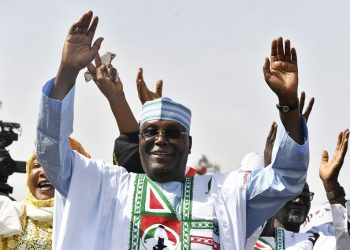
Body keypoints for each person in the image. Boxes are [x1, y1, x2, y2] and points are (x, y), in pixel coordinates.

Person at [36, 11, 309, 249]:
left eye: (172, 133)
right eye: (151, 132)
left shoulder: (225, 195)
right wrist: (67, 72)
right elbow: (51, 153)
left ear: (189, 144)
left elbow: (286, 178)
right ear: (140, 139)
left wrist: (288, 104)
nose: (160, 140)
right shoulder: (106, 187)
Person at [0, 138, 90, 250]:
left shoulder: (96, 222)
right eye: (37, 165)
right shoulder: (8, 215)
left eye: (57, 166)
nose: (44, 172)